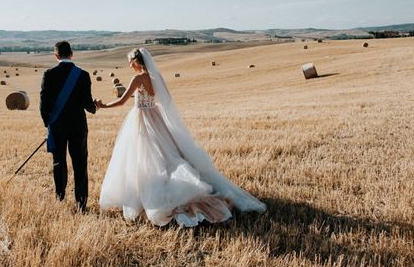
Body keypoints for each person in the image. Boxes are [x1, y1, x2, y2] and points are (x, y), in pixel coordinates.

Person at [96, 48, 266, 227]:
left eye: (130, 62)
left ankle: (147, 192)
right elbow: (164, 99)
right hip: (156, 117)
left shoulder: (137, 78)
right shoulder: (156, 77)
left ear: (137, 62)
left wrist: (103, 105)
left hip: (142, 119)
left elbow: (122, 101)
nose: (129, 65)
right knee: (164, 155)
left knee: (144, 156)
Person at [40, 41, 97, 211]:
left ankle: (60, 196)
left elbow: (43, 105)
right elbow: (88, 104)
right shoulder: (83, 75)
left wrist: (48, 124)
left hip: (57, 127)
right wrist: (94, 107)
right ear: (72, 54)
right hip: (78, 127)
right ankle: (81, 202)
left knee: (59, 162)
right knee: (80, 163)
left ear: (56, 55)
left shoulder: (48, 74)